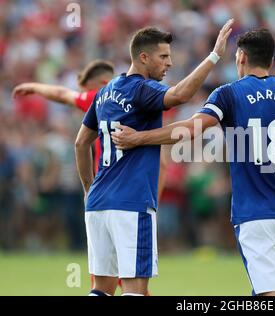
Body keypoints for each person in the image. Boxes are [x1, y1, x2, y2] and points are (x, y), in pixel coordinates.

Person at [111, 28, 275, 296]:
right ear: (271, 61)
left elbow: (190, 129)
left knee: (268, 295)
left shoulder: (228, 94)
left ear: (240, 58)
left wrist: (139, 138)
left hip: (256, 213)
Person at [75, 20, 234, 296]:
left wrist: (89, 188)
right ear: (143, 57)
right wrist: (214, 56)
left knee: (100, 289)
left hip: (99, 204)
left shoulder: (104, 93)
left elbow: (80, 143)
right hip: (132, 202)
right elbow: (182, 94)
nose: (169, 63)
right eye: (163, 57)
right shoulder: (141, 89)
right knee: (136, 290)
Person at [12, 59, 115, 173]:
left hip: (109, 181)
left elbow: (62, 94)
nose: (88, 95)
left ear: (104, 83)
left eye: (89, 91)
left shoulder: (99, 97)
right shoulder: (132, 97)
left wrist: (33, 87)